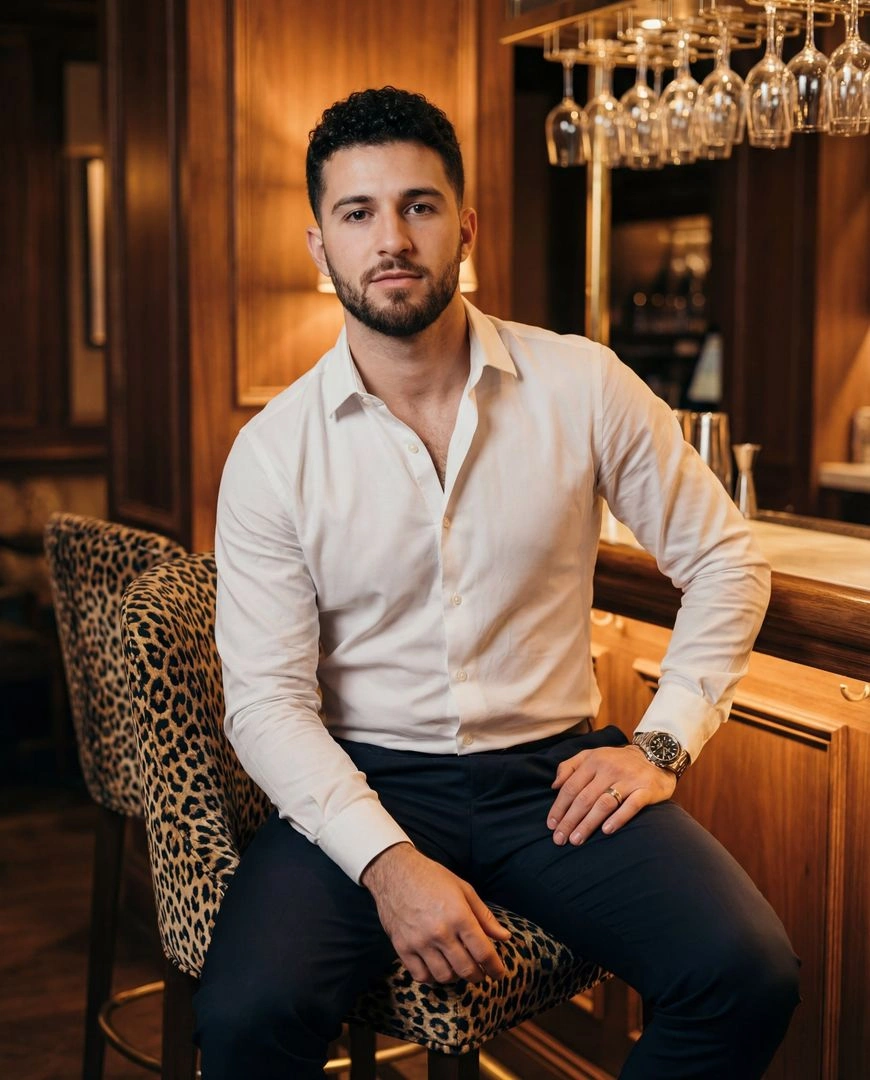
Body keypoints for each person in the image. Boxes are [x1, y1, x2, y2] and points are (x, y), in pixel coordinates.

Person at [195, 86, 799, 1079]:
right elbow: (265, 703)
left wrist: (663, 740)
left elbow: (727, 558)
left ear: (465, 228)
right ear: (320, 246)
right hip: (366, 776)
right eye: (358, 213)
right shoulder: (273, 453)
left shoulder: (583, 384)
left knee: (748, 973)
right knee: (245, 1017)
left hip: (552, 784)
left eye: (419, 206)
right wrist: (388, 863)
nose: (392, 239)